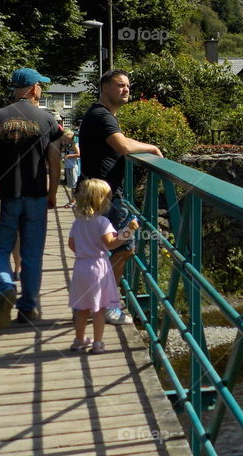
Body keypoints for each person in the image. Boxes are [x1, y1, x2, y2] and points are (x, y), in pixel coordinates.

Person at [0, 67, 62, 328]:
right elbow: (54, 160)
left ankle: (5, 286)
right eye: (40, 86)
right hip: (35, 197)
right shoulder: (46, 120)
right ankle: (27, 308)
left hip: (2, 198)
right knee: (33, 254)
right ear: (33, 89)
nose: (41, 90)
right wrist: (52, 192)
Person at [78, 69, 162, 325]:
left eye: (128, 86)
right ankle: (108, 305)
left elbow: (121, 141)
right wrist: (152, 147)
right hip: (105, 195)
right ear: (104, 88)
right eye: (119, 85)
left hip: (95, 192)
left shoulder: (99, 114)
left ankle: (95, 302)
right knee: (124, 247)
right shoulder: (103, 116)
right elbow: (122, 146)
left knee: (101, 249)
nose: (126, 90)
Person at [67, 178, 137, 354]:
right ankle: (98, 343)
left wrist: (84, 250)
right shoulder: (103, 223)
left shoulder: (78, 223)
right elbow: (112, 243)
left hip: (81, 266)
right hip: (98, 267)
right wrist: (129, 230)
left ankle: (79, 340)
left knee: (83, 307)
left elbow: (71, 245)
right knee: (99, 308)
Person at [61, 129, 80, 206]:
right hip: (68, 166)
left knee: (74, 185)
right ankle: (73, 200)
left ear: (69, 138)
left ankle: (74, 201)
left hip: (73, 167)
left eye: (65, 139)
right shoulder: (67, 145)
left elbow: (79, 154)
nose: (64, 140)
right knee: (71, 185)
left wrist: (68, 156)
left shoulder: (74, 144)